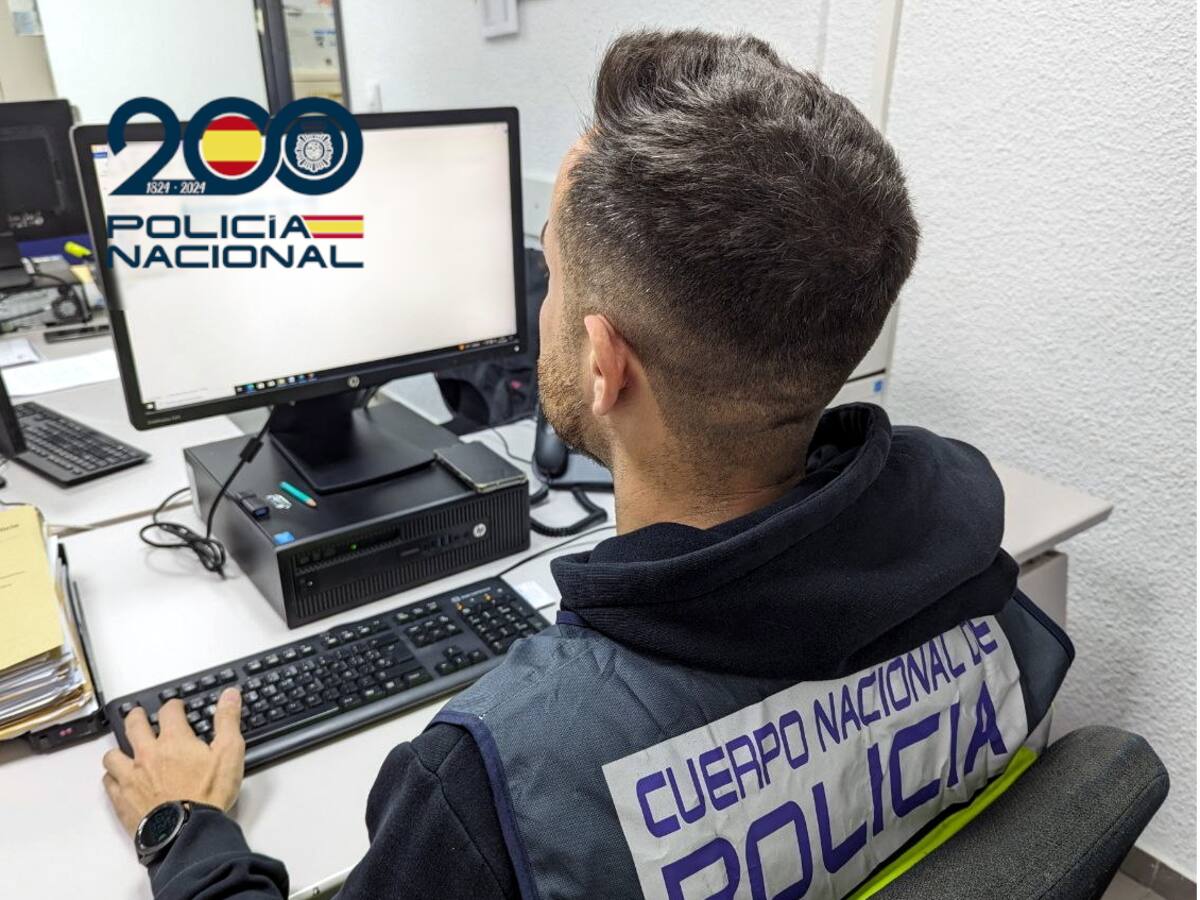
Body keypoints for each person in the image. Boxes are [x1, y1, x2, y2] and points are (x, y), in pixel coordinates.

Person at [101, 29, 1072, 899]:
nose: (541, 302)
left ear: (606, 364)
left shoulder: (494, 783)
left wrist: (186, 833)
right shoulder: (979, 575)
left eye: (552, 271)